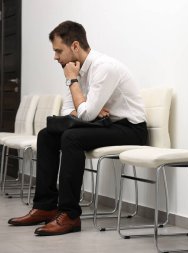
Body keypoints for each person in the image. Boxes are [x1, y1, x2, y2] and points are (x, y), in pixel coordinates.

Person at [8, 21, 148, 236]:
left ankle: (70, 215)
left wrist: (77, 90)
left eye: (58, 51)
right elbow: (69, 112)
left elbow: (85, 114)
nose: (55, 57)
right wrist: (86, 107)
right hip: (105, 125)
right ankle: (46, 206)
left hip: (131, 129)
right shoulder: (78, 71)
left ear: (74, 46)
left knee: (71, 137)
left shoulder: (103, 67)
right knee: (47, 135)